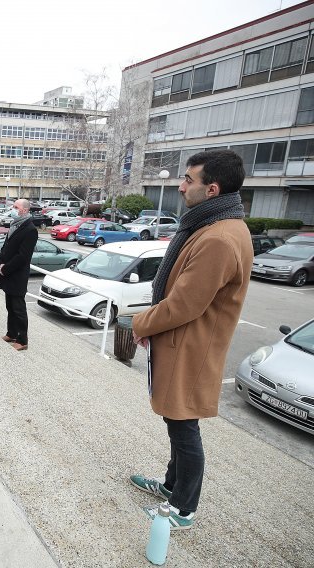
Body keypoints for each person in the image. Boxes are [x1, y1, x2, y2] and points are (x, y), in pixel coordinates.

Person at [130, 150, 253, 530]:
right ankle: (171, 487)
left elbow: (184, 304)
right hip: (184, 344)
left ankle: (183, 508)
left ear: (212, 189)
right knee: (176, 421)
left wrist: (140, 323)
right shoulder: (212, 225)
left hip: (192, 349)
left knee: (185, 428)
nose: (181, 186)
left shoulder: (218, 237)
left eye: (189, 180)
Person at [0, 199, 38, 351]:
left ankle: (22, 340)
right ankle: (11, 333)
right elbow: (6, 247)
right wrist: (1, 263)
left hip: (17, 275)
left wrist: (5, 268)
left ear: (25, 210)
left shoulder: (30, 229)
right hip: (7, 272)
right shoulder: (14, 224)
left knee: (18, 308)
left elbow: (23, 256)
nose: (12, 209)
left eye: (16, 207)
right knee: (10, 306)